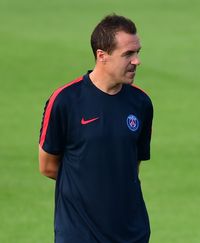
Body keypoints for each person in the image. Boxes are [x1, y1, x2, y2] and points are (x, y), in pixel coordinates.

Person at [38, 14, 153, 243]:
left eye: (138, 52)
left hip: (131, 233)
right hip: (79, 234)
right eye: (128, 54)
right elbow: (48, 166)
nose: (136, 61)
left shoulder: (141, 103)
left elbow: (131, 166)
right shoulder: (65, 101)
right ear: (102, 56)